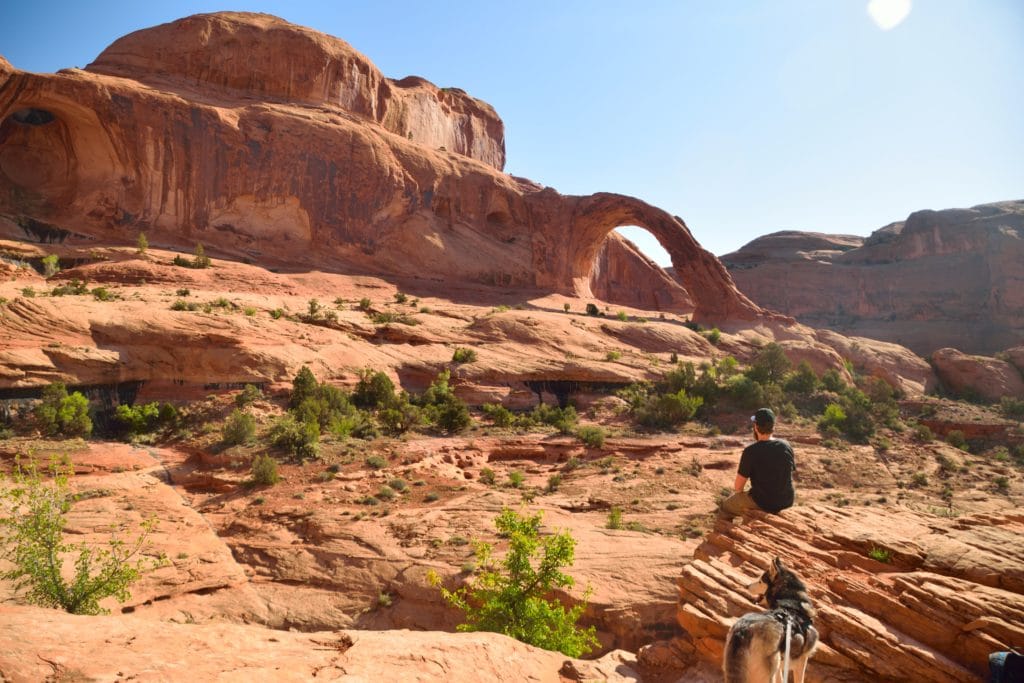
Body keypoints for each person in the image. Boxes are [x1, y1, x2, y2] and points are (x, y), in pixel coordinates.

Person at [719, 408, 795, 518]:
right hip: (786, 500)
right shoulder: (786, 445)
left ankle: (725, 533)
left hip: (764, 502)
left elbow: (738, 487)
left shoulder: (751, 451)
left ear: (756, 426)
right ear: (773, 426)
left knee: (725, 507)